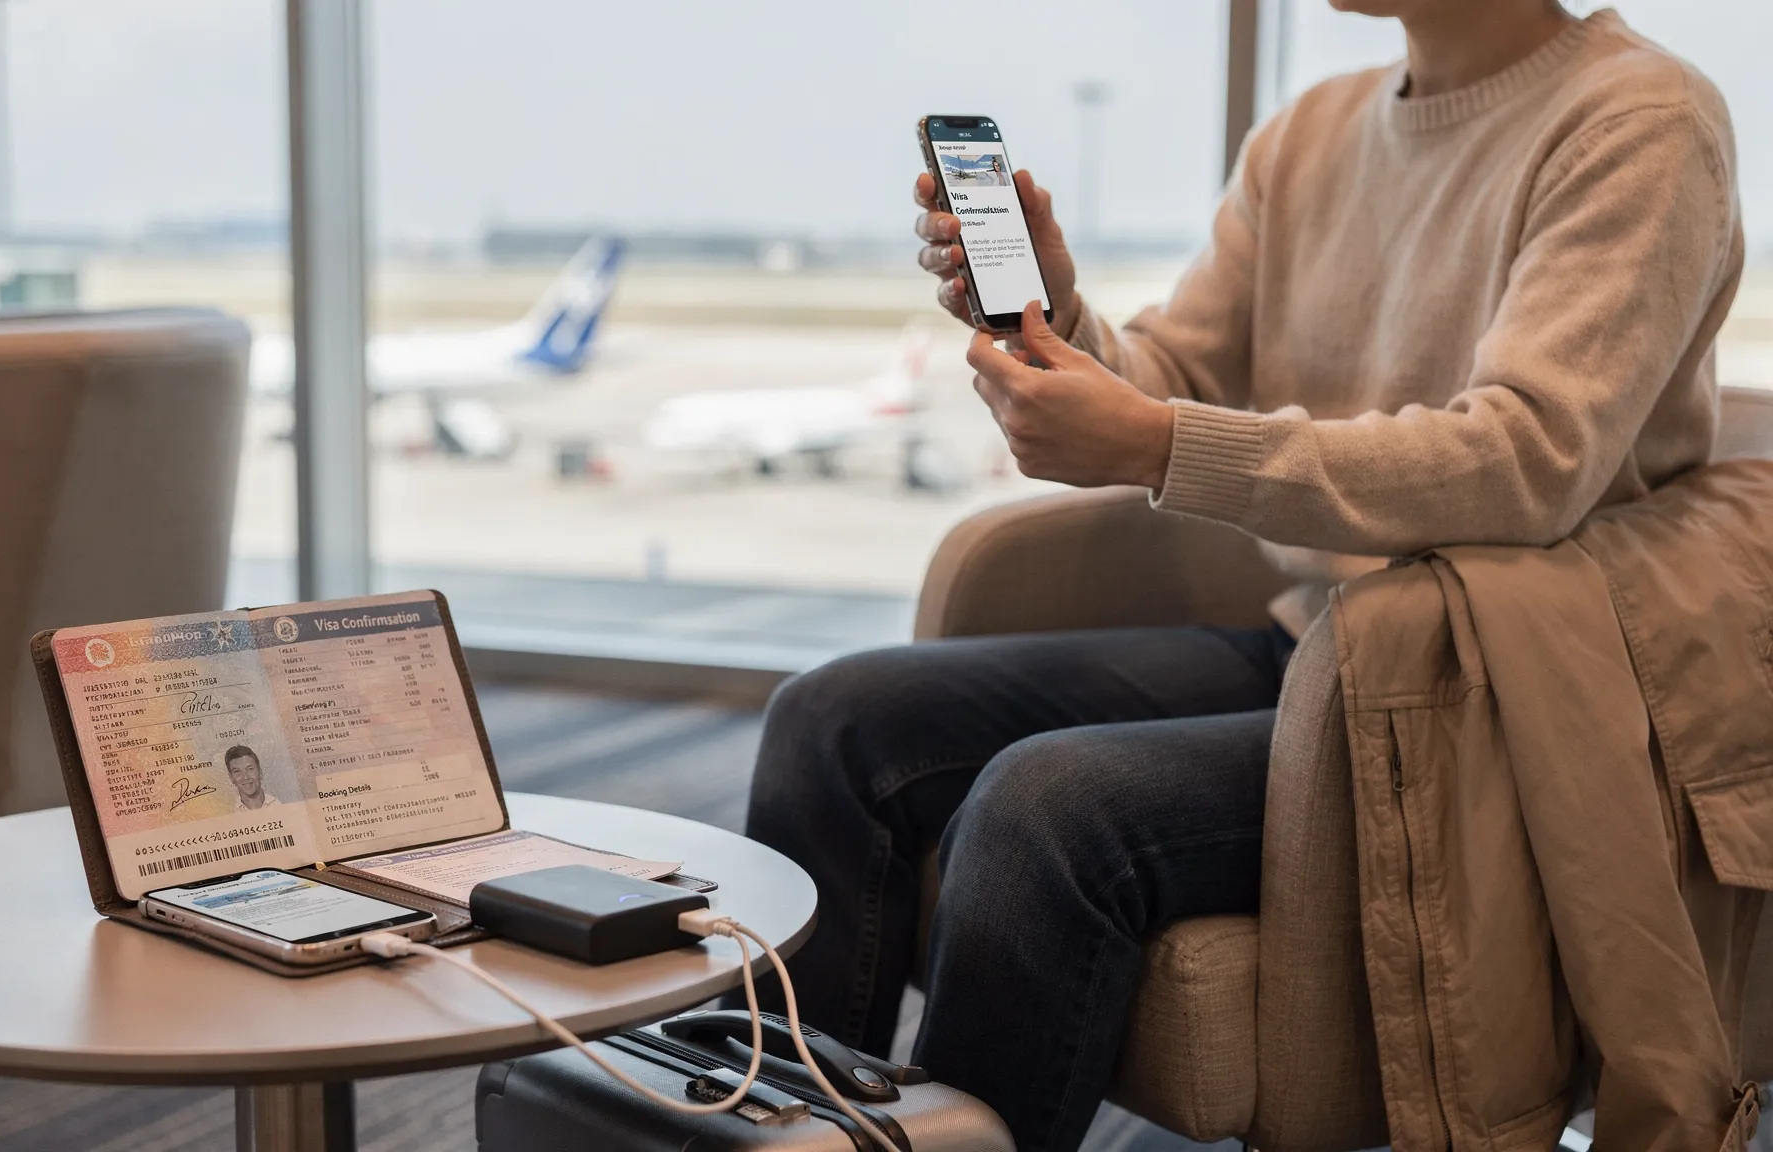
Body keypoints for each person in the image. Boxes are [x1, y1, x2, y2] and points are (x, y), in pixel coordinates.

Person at [739, 2, 1743, 1149]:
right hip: (1313, 643)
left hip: (1487, 697)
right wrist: (1052, 318)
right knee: (831, 720)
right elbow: (1177, 374)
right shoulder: (1308, 133)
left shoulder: (1639, 118)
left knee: (1041, 805)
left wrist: (1157, 446)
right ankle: (777, 1128)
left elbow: (1525, 463)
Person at [222, 744, 281, 810]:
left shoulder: (279, 805)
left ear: (260, 772)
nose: (245, 777)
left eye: (250, 769)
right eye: (237, 771)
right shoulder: (230, 813)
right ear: (231, 778)